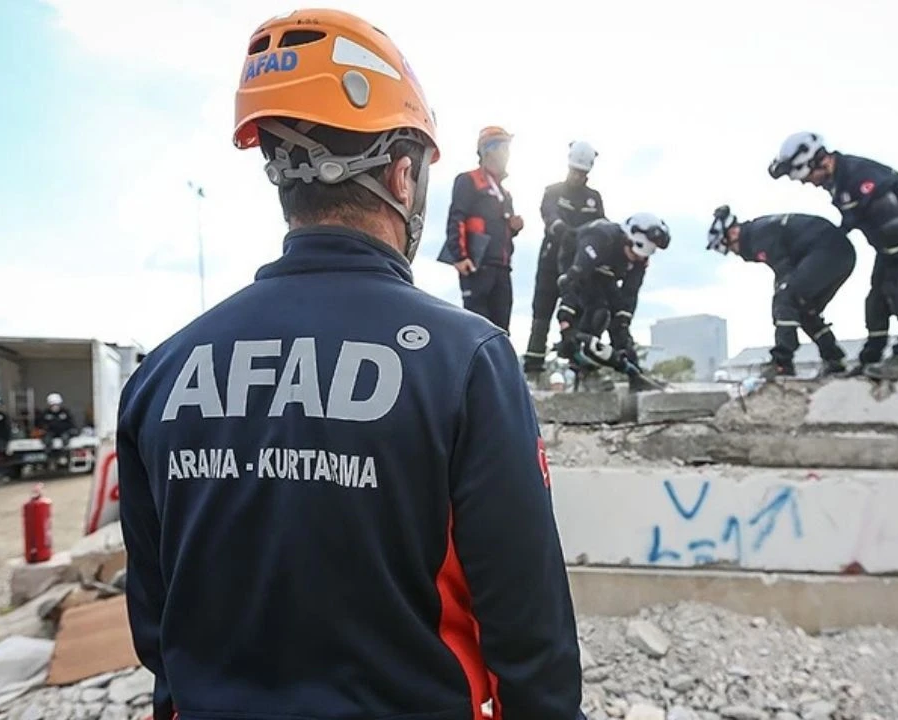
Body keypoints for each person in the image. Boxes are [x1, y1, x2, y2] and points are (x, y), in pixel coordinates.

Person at [115, 10, 582, 720]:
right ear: (402, 175)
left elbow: (157, 630)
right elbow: (529, 635)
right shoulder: (468, 363)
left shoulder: (161, 374)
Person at [769, 132, 898, 380]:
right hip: (888, 235)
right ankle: (872, 358)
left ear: (822, 161)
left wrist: (896, 260)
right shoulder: (837, 181)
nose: (808, 183)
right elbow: (856, 217)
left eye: (807, 176)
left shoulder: (856, 174)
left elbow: (890, 218)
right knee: (876, 296)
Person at [707, 205, 856, 378]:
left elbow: (784, 272)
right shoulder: (759, 231)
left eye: (727, 248)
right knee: (804, 309)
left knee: (785, 300)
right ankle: (834, 358)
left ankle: (782, 363)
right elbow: (786, 269)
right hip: (839, 253)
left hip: (828, 251)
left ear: (733, 233)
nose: (732, 253)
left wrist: (781, 297)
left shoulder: (758, 237)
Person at [556, 214, 670, 391]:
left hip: (604, 274)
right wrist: (566, 322)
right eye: (632, 254)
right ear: (628, 240)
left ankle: (636, 373)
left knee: (618, 319)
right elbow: (572, 281)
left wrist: (623, 328)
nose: (635, 260)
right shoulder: (600, 238)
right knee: (597, 312)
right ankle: (586, 372)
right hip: (575, 265)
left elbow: (629, 296)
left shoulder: (640, 260)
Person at [522, 141, 606, 382]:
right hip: (550, 261)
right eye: (574, 171)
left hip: (580, 265)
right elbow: (548, 213)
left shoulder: (594, 198)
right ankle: (533, 371)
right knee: (542, 313)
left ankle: (584, 369)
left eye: (582, 172)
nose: (577, 176)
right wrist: (560, 229)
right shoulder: (553, 191)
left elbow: (600, 226)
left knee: (578, 315)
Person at [440, 126, 524, 331]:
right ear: (489, 149)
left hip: (502, 268)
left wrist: (514, 227)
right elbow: (456, 217)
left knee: (501, 331)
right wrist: (459, 256)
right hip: (477, 266)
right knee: (477, 328)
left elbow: (503, 230)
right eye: (504, 147)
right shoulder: (468, 180)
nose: (507, 154)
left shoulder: (505, 193)